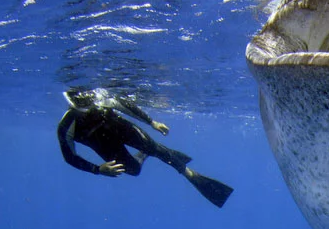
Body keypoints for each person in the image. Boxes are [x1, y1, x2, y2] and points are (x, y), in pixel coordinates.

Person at [57, 87, 233, 208]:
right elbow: (69, 156)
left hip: (121, 128)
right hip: (104, 144)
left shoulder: (101, 100)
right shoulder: (66, 124)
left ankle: (189, 174)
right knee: (133, 170)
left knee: (153, 147)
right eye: (83, 107)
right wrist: (98, 169)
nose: (89, 109)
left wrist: (152, 122)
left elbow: (126, 107)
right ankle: (146, 153)